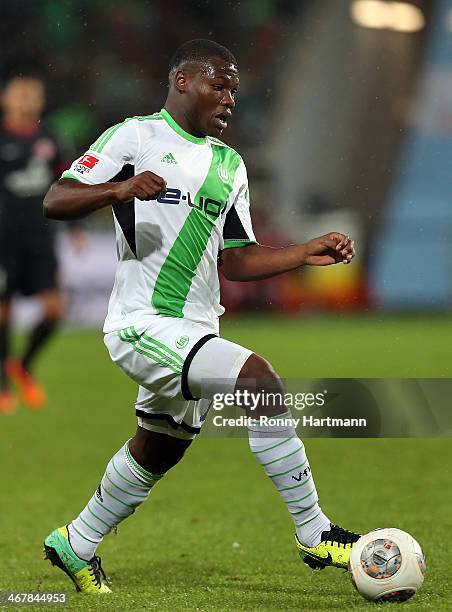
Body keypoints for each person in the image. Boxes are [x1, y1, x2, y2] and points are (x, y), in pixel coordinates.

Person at [42, 39, 357, 594]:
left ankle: (77, 540)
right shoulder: (135, 136)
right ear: (182, 81)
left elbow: (235, 259)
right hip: (143, 323)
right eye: (219, 84)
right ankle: (315, 532)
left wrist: (302, 252)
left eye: (234, 89)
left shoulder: (229, 164)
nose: (230, 98)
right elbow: (57, 198)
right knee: (261, 383)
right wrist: (119, 187)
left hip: (196, 329)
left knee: (161, 444)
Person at [0, 72, 68, 413]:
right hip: (3, 240)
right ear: (6, 100)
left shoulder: (50, 138)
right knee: (2, 310)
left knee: (55, 309)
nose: (26, 99)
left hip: (42, 238)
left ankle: (23, 365)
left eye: (32, 93)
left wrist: (78, 227)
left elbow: (68, 182)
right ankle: (2, 381)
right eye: (20, 93)